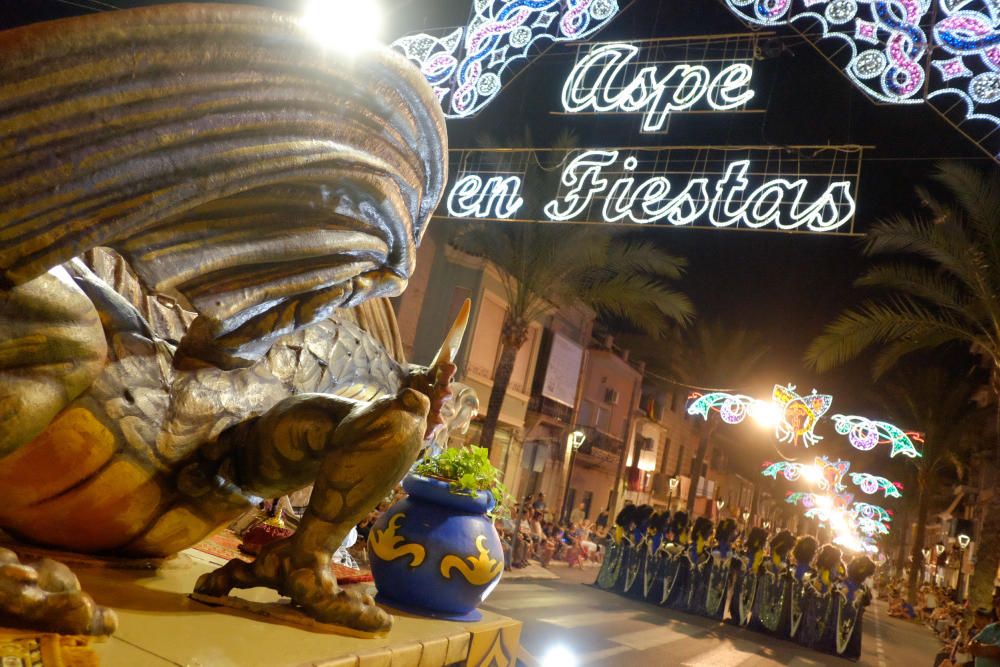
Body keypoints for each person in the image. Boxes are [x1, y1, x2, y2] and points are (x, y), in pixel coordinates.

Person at [968, 594, 1000, 667]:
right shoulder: (991, 628)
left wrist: (979, 648)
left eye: (980, 618)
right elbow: (971, 646)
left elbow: (997, 652)